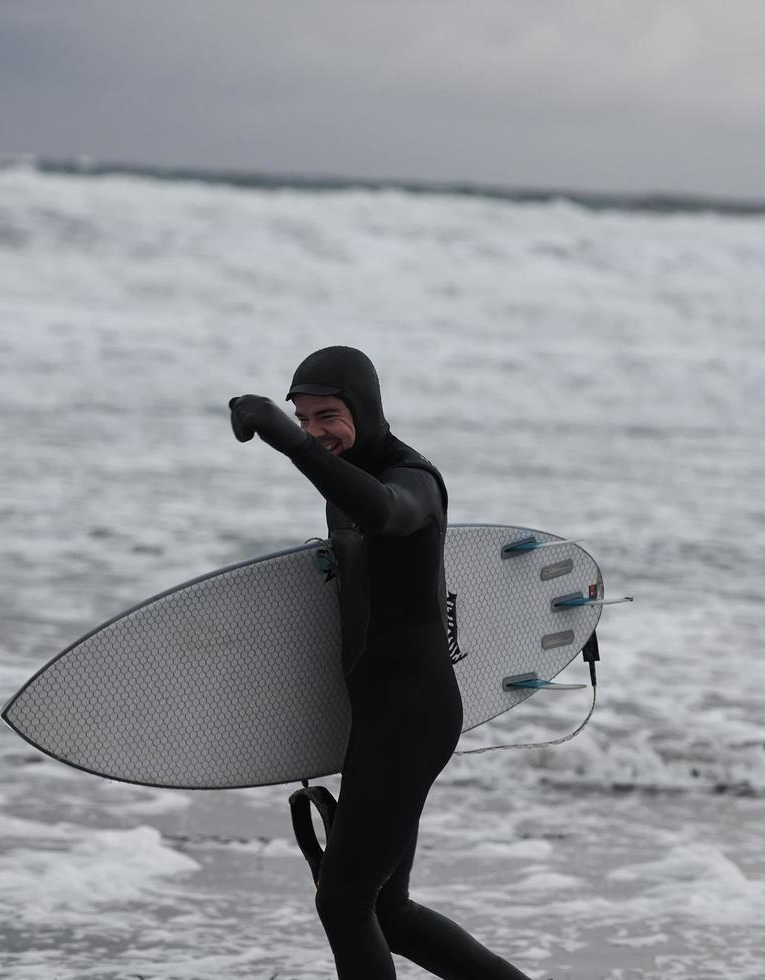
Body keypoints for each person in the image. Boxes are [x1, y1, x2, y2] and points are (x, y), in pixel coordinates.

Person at [230, 346, 530, 980]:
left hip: (412, 713)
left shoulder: (411, 480)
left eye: (328, 416)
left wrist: (289, 444)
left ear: (364, 411)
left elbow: (387, 513)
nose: (316, 432)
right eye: (303, 418)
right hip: (376, 710)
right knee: (386, 913)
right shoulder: (346, 482)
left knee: (343, 902)